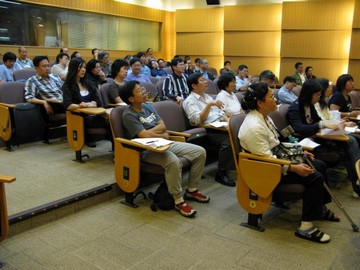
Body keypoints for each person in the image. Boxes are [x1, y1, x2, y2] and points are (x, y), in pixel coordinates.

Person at [238, 82, 338, 244]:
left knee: (319, 164)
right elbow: (266, 161)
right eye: (271, 97)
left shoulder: (264, 117)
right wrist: (293, 167)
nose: (275, 99)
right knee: (314, 176)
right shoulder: (253, 127)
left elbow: (276, 144)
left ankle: (319, 207)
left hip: (274, 161)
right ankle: (306, 228)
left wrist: (299, 151)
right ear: (260, 103)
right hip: (264, 171)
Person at [119, 80, 210, 218]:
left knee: (199, 152)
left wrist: (156, 132)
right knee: (173, 161)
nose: (144, 91)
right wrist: (160, 133)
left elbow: (162, 125)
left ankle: (192, 189)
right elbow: (143, 136)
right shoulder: (129, 115)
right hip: (146, 150)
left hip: (165, 143)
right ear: (131, 99)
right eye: (139, 90)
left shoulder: (148, 106)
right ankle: (178, 200)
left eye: (142, 88)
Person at [287, 79, 360, 198]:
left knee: (349, 142)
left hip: (319, 138)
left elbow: (318, 122)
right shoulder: (294, 108)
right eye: (317, 95)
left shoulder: (310, 106)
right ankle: (356, 183)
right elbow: (299, 128)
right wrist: (322, 125)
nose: (318, 98)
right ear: (308, 94)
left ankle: (356, 181)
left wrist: (335, 125)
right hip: (307, 143)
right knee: (348, 143)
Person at [183, 73, 236, 187]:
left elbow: (221, 113)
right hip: (208, 129)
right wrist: (209, 105)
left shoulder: (206, 97)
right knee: (228, 141)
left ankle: (235, 166)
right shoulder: (189, 101)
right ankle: (221, 173)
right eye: (202, 80)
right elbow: (197, 120)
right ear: (194, 85)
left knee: (239, 134)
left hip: (220, 125)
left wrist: (229, 123)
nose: (206, 82)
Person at [62, 58, 110, 147]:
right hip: (81, 116)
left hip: (95, 114)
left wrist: (94, 103)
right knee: (109, 122)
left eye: (84, 67)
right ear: (73, 68)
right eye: (80, 67)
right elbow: (67, 105)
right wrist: (80, 106)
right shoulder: (67, 86)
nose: (83, 70)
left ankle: (117, 149)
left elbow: (98, 102)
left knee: (111, 120)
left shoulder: (88, 83)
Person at [24, 56, 65, 138]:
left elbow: (65, 90)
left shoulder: (55, 77)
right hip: (55, 106)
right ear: (36, 68)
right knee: (78, 112)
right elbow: (29, 97)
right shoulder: (32, 81)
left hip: (65, 102)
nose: (47, 68)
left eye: (48, 65)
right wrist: (44, 102)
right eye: (44, 66)